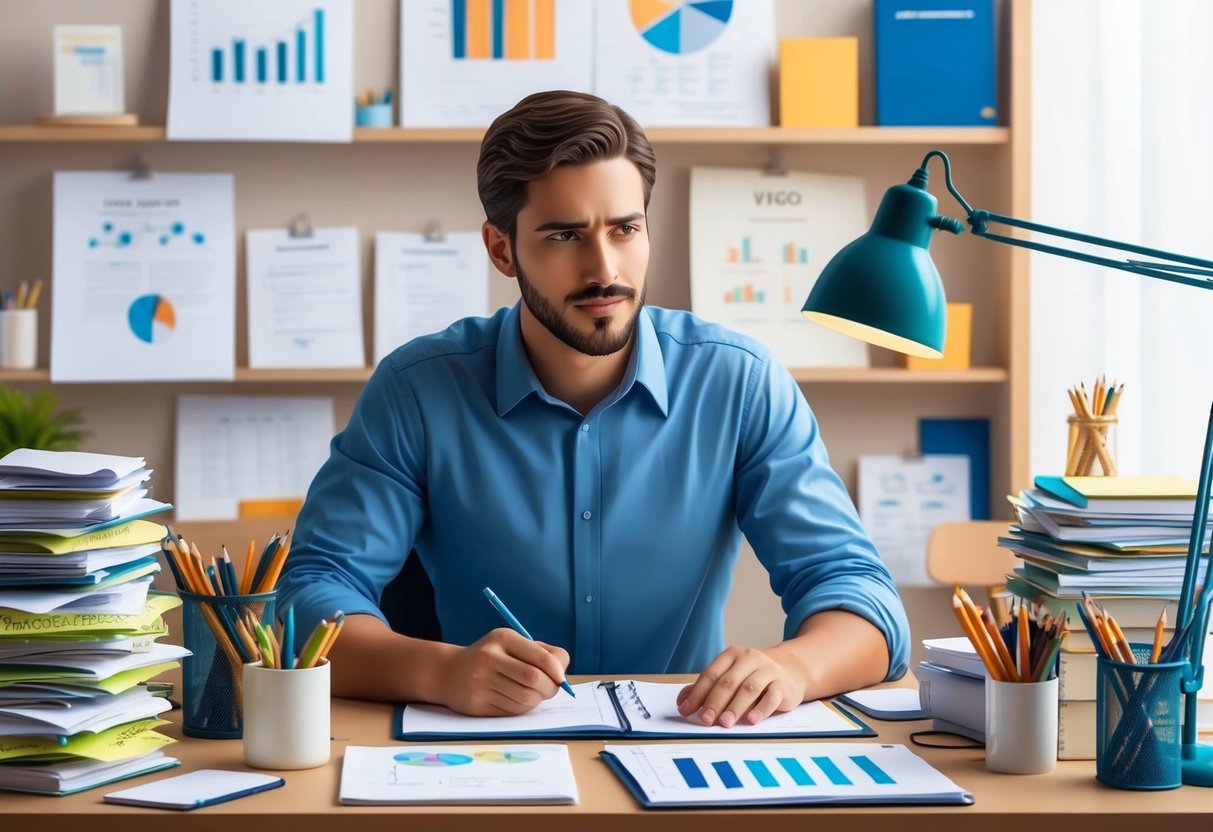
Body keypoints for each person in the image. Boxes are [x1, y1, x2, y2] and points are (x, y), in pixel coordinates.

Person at [278, 90, 909, 728]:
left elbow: (861, 598)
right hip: (488, 755)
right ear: (502, 250)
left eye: (625, 229)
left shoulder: (738, 383)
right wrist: (440, 671)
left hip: (679, 749)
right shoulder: (417, 390)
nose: (604, 269)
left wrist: (794, 668)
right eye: (564, 235)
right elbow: (308, 599)